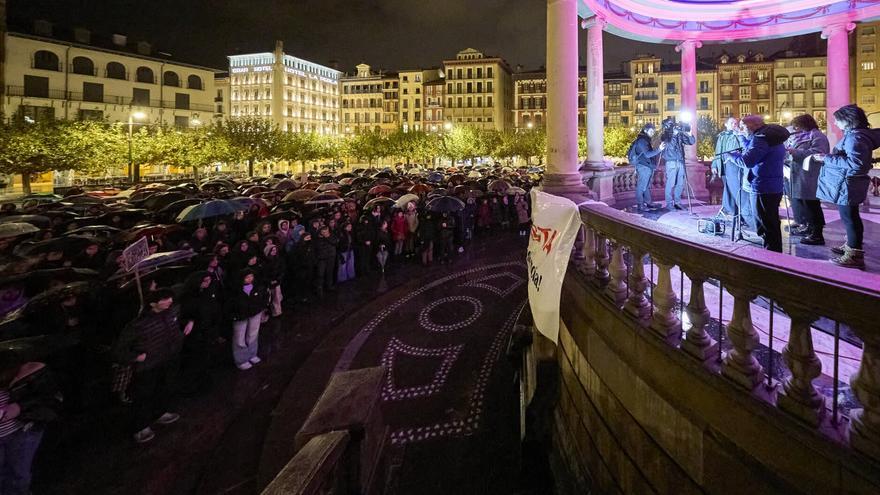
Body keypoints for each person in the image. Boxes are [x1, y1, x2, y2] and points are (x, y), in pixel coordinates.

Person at [112, 288, 192, 443]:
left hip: (167, 360)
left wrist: (185, 329)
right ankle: (140, 427)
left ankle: (160, 412)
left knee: (163, 388)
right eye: (165, 299)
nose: (170, 301)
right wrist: (135, 357)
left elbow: (173, 332)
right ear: (153, 303)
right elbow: (118, 350)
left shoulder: (171, 314)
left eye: (170, 298)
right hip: (148, 366)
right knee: (143, 395)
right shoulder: (139, 324)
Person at [816, 104, 880, 268]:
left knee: (850, 218)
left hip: (847, 184)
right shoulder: (857, 135)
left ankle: (854, 254)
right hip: (849, 182)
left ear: (847, 121)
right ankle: (851, 245)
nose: (835, 124)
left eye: (837, 120)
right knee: (850, 217)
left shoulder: (855, 137)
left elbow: (856, 163)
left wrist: (826, 158)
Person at [0, 351, 62, 495]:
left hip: (20, 432)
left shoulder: (29, 374)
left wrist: (19, 407)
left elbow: (49, 398)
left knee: (18, 474)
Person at [733, 115, 790, 253]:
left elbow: (748, 161)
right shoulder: (771, 137)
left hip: (761, 186)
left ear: (753, 126)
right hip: (773, 184)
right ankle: (775, 252)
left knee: (764, 224)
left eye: (743, 126)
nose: (742, 129)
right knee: (772, 221)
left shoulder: (760, 139)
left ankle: (770, 256)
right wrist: (742, 138)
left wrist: (732, 157)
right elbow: (754, 150)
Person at [785, 114, 830, 245]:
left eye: (797, 126)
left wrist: (795, 153)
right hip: (798, 175)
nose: (795, 129)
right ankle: (808, 228)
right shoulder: (802, 135)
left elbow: (819, 153)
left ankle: (817, 234)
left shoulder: (817, 136)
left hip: (809, 175)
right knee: (804, 203)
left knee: (812, 205)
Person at [227, 269, 268, 370]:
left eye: (251, 276)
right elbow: (230, 303)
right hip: (240, 316)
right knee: (239, 337)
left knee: (253, 334)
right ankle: (241, 359)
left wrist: (261, 307)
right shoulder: (235, 290)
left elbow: (264, 297)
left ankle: (252, 354)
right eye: (247, 277)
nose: (250, 279)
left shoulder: (257, 287)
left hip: (255, 313)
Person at [659, 117, 696, 210]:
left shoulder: (679, 135)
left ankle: (677, 202)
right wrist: (674, 134)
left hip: (680, 161)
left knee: (680, 183)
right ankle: (669, 204)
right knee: (670, 184)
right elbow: (668, 142)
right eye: (671, 124)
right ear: (666, 126)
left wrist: (689, 132)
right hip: (671, 161)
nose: (673, 125)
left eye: (673, 123)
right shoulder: (665, 135)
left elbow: (691, 142)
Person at [712, 117, 744, 218]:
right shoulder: (722, 136)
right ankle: (729, 209)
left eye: (735, 123)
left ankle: (737, 212)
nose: (734, 124)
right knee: (728, 187)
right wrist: (714, 165)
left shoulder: (739, 135)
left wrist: (739, 134)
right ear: (726, 124)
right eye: (732, 123)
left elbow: (744, 148)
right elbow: (717, 152)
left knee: (735, 188)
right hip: (723, 166)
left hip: (734, 166)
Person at [627, 123, 662, 211]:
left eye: (654, 131)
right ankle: (640, 204)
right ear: (645, 130)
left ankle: (648, 202)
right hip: (643, 166)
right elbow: (647, 154)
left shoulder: (645, 139)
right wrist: (659, 149)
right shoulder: (642, 140)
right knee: (641, 186)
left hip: (646, 165)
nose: (653, 132)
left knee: (645, 185)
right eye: (651, 131)